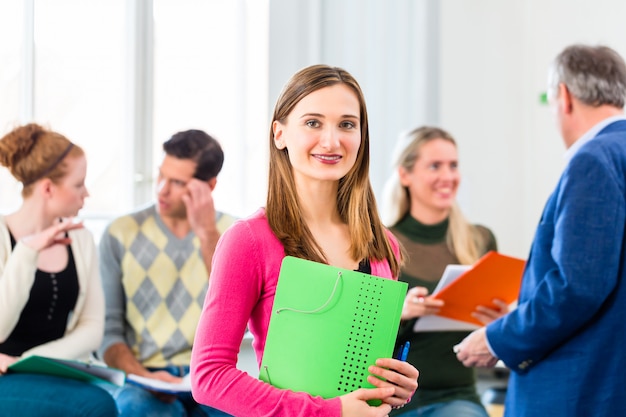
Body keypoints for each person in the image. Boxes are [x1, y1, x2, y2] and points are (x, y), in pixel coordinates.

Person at [190, 64, 419, 417]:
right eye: (313, 123)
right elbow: (209, 377)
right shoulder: (249, 240)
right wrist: (331, 411)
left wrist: (395, 388)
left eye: (347, 124)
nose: (331, 141)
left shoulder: (381, 244)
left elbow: (360, 374)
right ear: (279, 134)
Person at [454, 44, 626, 416]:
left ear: (563, 96)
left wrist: (499, 337)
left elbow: (579, 286)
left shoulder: (593, 159)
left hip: (579, 389)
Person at [98, 129, 236, 417]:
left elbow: (238, 313)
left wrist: (207, 234)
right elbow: (107, 333)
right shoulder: (120, 233)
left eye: (176, 182)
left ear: (208, 186)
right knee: (135, 410)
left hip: (213, 376)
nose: (161, 189)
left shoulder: (234, 235)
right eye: (161, 176)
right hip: (142, 378)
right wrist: (143, 377)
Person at [380, 126, 507, 417]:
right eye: (435, 166)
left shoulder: (480, 241)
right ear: (405, 174)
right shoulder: (380, 243)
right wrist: (401, 312)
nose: (448, 177)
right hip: (391, 399)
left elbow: (492, 330)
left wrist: (499, 322)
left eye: (453, 165)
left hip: (457, 398)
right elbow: (359, 336)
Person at [0, 123, 118, 417]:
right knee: (97, 406)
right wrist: (27, 252)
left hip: (51, 370)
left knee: (117, 399)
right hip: (4, 377)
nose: (86, 193)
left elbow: (92, 328)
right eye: (79, 184)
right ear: (48, 188)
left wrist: (28, 360)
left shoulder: (80, 238)